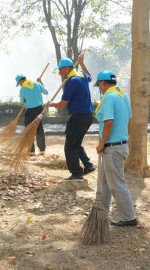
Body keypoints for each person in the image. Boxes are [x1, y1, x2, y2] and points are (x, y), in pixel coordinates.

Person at [94, 70, 137, 226]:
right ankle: (100, 211)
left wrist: (102, 143)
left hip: (112, 147)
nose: (99, 87)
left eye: (99, 84)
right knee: (104, 182)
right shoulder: (123, 96)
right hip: (119, 145)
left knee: (116, 184)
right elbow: (128, 118)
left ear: (103, 83)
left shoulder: (108, 98)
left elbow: (109, 122)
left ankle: (129, 217)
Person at [47, 53, 96, 181]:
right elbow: (90, 77)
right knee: (76, 144)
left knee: (70, 147)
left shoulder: (71, 81)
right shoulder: (81, 75)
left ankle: (76, 174)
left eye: (60, 70)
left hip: (78, 117)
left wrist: (51, 104)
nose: (59, 73)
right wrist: (82, 64)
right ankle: (89, 166)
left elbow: (63, 104)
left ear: (67, 69)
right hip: (88, 116)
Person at [16, 74, 48, 155]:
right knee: (39, 128)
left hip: (30, 111)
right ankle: (42, 150)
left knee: (28, 130)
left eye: (19, 83)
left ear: (21, 81)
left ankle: (31, 151)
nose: (19, 85)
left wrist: (25, 103)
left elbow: (22, 103)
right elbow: (46, 92)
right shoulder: (37, 84)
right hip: (40, 110)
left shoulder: (22, 89)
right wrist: (40, 82)